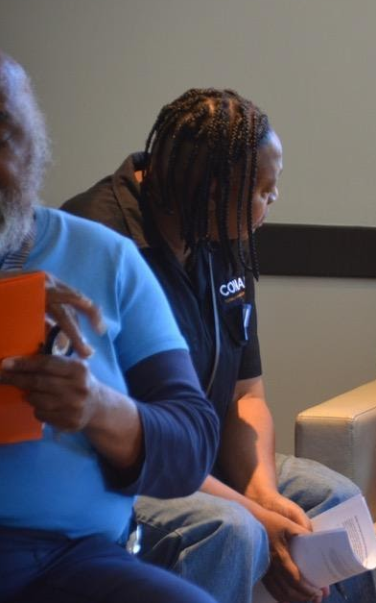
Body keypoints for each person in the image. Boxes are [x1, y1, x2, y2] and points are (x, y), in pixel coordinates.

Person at [63, 89, 376, 603]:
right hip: (124, 469)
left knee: (335, 503)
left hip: (207, 456)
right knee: (232, 528)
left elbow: (245, 396)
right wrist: (250, 510)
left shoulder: (222, 234)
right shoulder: (98, 243)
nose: (273, 199)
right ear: (213, 192)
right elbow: (111, 434)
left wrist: (263, 490)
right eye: (264, 188)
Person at [0, 52, 220, 603]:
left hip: (72, 560)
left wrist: (97, 408)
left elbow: (192, 440)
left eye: (1, 135)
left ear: (34, 152)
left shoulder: (106, 258)